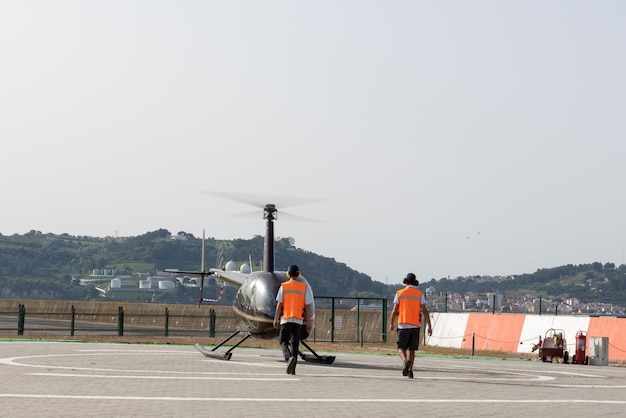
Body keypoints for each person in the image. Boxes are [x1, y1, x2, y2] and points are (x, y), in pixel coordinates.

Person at [390, 272, 433, 379]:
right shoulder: (419, 294)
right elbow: (424, 310)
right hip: (415, 325)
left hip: (403, 324)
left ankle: (405, 361)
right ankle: (410, 371)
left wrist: (391, 322)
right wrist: (429, 325)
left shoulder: (399, 293)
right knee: (412, 349)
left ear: (406, 281)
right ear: (415, 282)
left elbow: (395, 310)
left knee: (400, 347)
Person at [273, 264, 314, 375]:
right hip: (298, 320)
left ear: (288, 274)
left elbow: (279, 304)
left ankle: (288, 358)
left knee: (283, 341)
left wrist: (276, 319)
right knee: (295, 343)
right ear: (298, 274)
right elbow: (307, 306)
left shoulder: (284, 286)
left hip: (286, 319)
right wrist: (309, 322)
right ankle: (293, 370)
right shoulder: (303, 287)